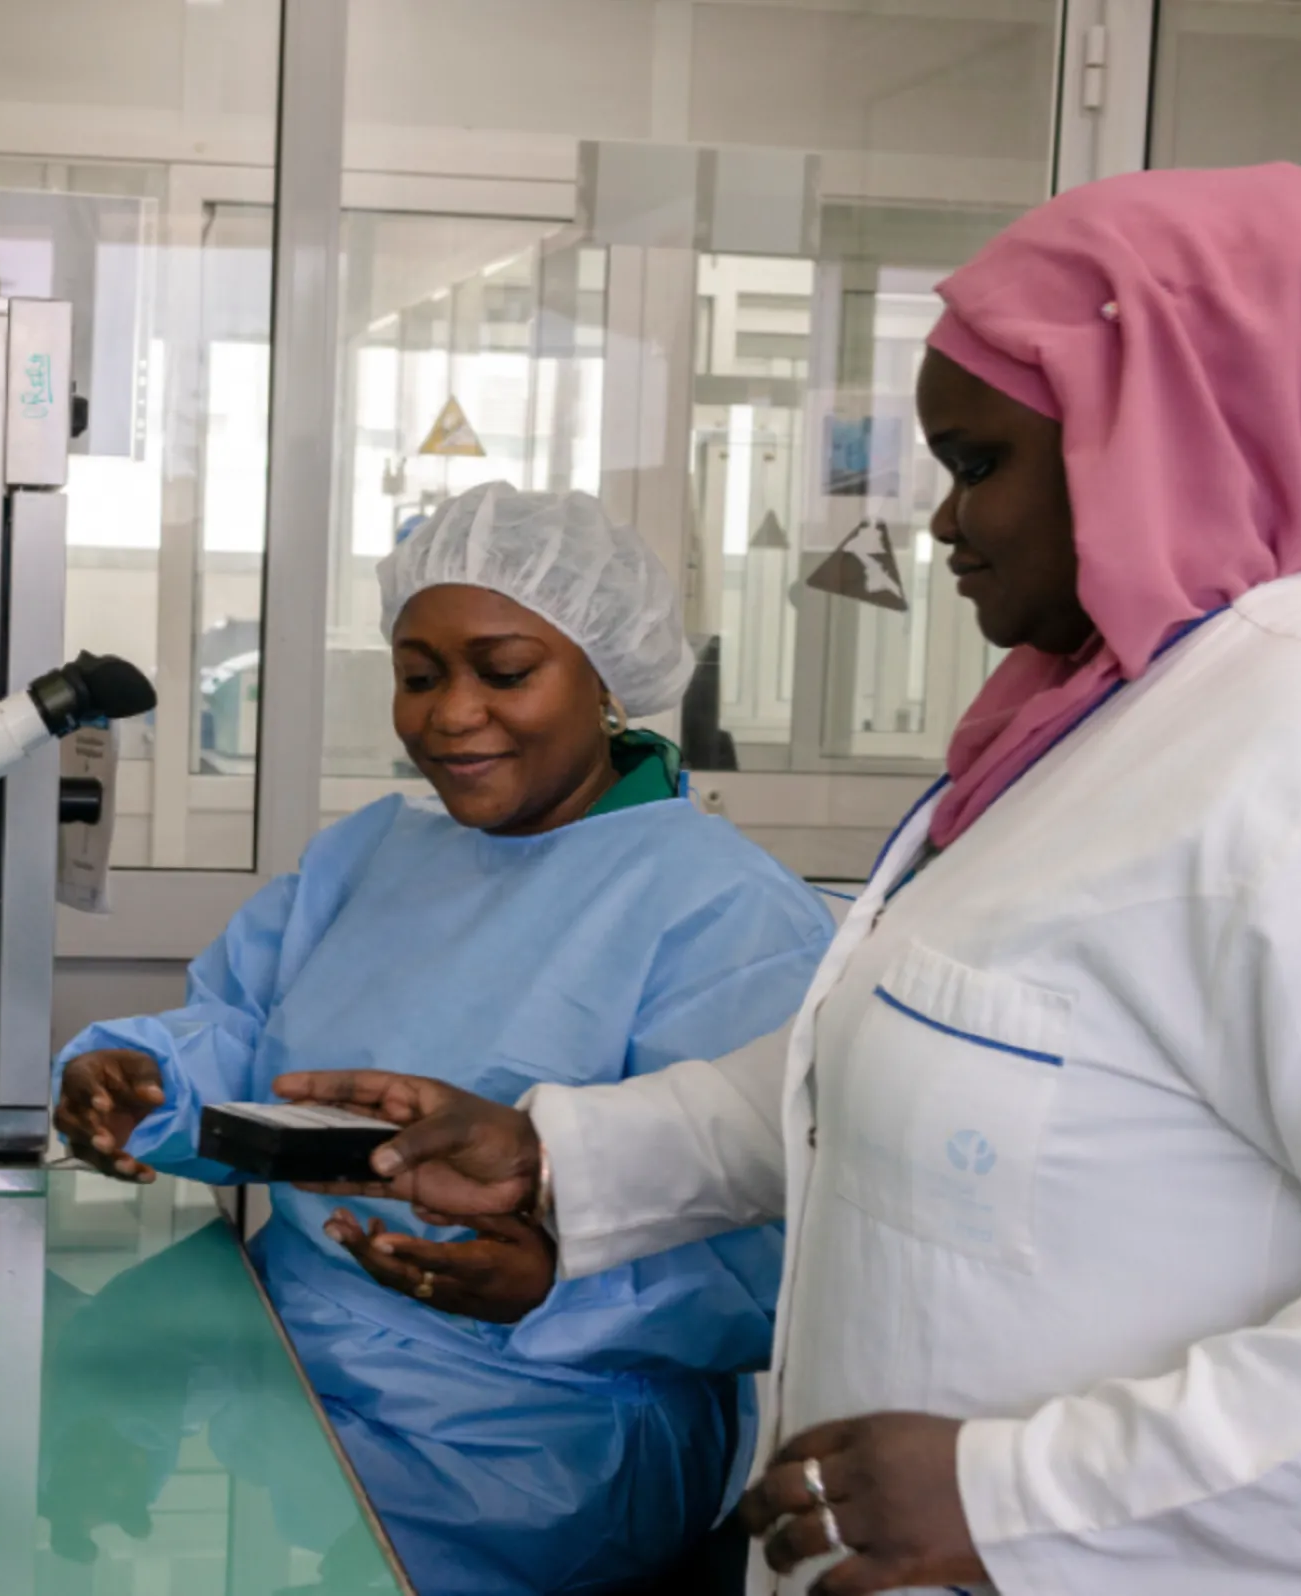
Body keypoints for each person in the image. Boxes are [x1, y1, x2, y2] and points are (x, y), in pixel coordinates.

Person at [279, 164, 1301, 1596]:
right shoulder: (1095, 728)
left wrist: (1023, 1494)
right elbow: (896, 1068)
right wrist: (560, 1155)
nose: (944, 524)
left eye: (983, 463)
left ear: (1178, 438)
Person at [52, 482, 833, 1595]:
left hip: (540, 1431)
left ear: (609, 678)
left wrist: (558, 1283)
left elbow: (776, 1241)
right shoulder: (377, 851)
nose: (448, 714)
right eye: (418, 677)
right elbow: (244, 1034)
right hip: (289, 1349)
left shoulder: (723, 911)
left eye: (504, 672)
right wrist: (141, 1082)